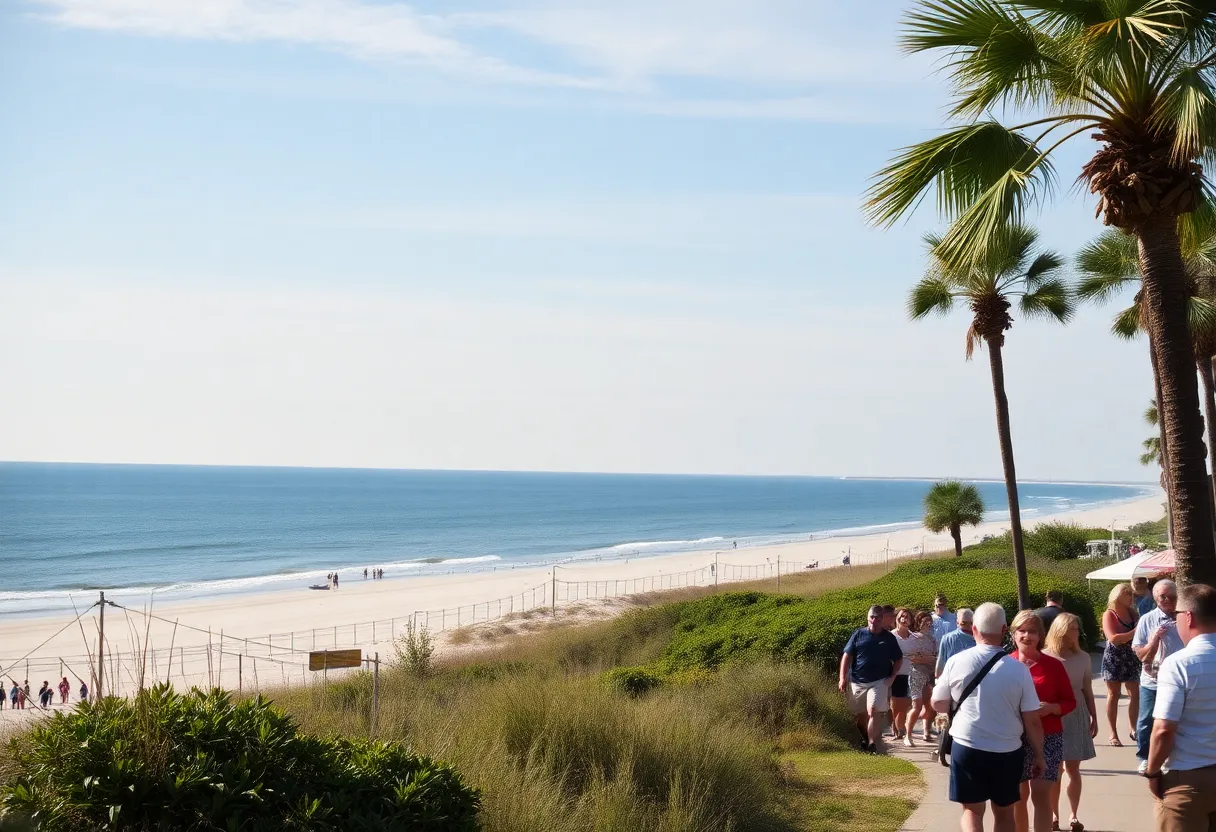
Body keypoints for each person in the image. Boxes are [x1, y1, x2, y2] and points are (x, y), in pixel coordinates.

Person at [933, 602, 1046, 832]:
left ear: (974, 628)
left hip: (967, 745)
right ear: (1004, 630)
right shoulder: (1019, 670)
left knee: (972, 811)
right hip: (1007, 750)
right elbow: (1032, 720)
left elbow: (937, 702)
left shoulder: (956, 662)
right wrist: (1039, 755)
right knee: (1005, 813)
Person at [1145, 583, 1216, 832]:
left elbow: (1164, 729)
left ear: (1188, 617)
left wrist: (1152, 772)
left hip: (1187, 780)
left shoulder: (1178, 664)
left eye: (1176, 616)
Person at [1011, 610, 1075, 832]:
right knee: (1017, 796)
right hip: (1014, 739)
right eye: (1022, 630)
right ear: (1013, 634)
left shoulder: (1053, 666)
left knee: (1041, 794)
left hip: (1048, 736)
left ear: (1040, 635)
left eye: (1032, 631)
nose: (1027, 636)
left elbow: (1070, 701)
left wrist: (1051, 708)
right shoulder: (1005, 664)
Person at [1044, 613, 1098, 832]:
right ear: (1061, 631)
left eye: (1077, 628)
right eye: (1073, 629)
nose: (1078, 632)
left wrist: (1094, 716)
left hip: (1076, 714)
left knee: (1073, 769)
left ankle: (1074, 815)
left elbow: (1088, 689)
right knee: (1055, 770)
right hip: (1052, 715)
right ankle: (1053, 815)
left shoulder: (1083, 657)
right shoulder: (1045, 656)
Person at [1133, 579, 1184, 773]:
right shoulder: (1147, 619)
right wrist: (1154, 640)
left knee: (1176, 720)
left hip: (1178, 680)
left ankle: (1171, 757)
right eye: (1163, 596)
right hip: (1152, 680)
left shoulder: (1185, 618)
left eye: (1172, 595)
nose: (1168, 599)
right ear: (1155, 598)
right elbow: (1140, 655)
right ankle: (1145, 757)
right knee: (1146, 720)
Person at [839, 604, 904, 753]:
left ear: (882, 619)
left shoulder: (889, 638)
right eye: (871, 617)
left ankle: (872, 744)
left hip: (879, 681)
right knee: (860, 716)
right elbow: (846, 656)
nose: (874, 621)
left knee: (873, 710)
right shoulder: (858, 634)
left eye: (877, 618)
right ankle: (865, 738)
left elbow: (898, 659)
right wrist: (842, 678)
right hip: (857, 681)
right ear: (867, 618)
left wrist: (892, 676)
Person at [1100, 582, 1141, 746]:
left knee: (1134, 694)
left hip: (1131, 656)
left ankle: (1134, 729)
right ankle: (1113, 733)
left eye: (1132, 594)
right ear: (1118, 595)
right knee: (1113, 694)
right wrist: (1134, 632)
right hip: (1114, 657)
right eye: (1128, 594)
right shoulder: (1109, 614)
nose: (1131, 597)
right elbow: (1113, 638)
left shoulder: (1133, 614)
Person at [907, 610, 939, 742]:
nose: (928, 624)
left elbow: (936, 656)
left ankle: (926, 731)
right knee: (917, 706)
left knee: (930, 706)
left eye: (930, 622)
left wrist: (930, 659)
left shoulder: (932, 639)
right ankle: (908, 735)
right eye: (925, 622)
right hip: (916, 674)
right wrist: (929, 659)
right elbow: (912, 657)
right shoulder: (913, 637)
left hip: (929, 674)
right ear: (918, 623)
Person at [891, 608, 918, 745]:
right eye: (902, 616)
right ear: (897, 618)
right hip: (897, 674)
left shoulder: (915, 637)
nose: (904, 619)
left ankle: (901, 729)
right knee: (897, 706)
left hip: (912, 674)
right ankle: (898, 728)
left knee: (907, 705)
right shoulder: (891, 636)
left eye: (907, 617)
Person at [937, 607, 977, 676]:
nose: (968, 626)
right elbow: (941, 664)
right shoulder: (947, 638)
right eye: (964, 623)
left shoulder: (979, 638)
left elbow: (940, 666)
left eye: (970, 623)